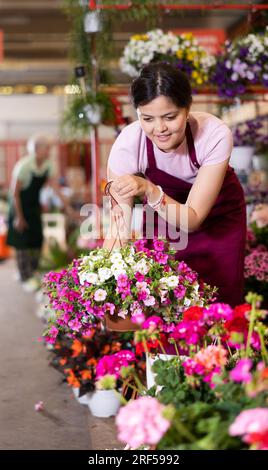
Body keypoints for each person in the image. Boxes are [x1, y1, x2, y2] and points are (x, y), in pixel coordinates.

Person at [104, 62, 246, 307]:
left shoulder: (213, 134)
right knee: (163, 296)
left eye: (170, 117)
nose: (159, 129)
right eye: (147, 118)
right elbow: (119, 227)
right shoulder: (128, 144)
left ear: (187, 108)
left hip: (217, 216)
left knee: (220, 298)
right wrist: (104, 279)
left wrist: (149, 190)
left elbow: (192, 220)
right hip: (162, 217)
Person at [7, 134, 77, 292]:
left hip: (33, 206)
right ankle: (24, 275)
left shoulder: (48, 166)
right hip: (18, 205)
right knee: (21, 241)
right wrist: (19, 216)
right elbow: (14, 193)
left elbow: (57, 190)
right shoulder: (24, 166)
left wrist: (69, 209)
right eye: (47, 148)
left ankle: (32, 272)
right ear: (37, 149)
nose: (49, 151)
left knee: (37, 238)